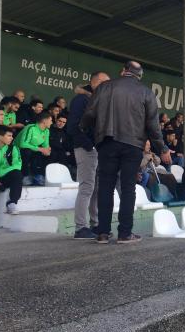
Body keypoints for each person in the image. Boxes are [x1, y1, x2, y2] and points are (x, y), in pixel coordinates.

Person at [81, 61, 170, 244]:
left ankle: (103, 233)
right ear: (139, 75)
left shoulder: (105, 87)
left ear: (123, 71)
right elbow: (153, 126)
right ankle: (125, 233)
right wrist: (162, 149)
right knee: (128, 188)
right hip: (133, 144)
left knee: (105, 187)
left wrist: (84, 129)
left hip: (106, 141)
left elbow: (89, 114)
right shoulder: (146, 92)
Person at [67, 71, 110, 240]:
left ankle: (95, 224)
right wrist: (90, 145)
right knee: (87, 187)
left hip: (95, 149)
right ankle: (80, 227)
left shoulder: (95, 100)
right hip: (85, 148)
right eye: (105, 83)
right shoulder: (80, 100)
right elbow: (73, 127)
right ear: (96, 83)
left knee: (96, 188)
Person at [14, 112, 52, 186]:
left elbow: (45, 145)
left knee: (47, 154)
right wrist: (40, 149)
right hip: (18, 150)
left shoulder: (46, 131)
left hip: (33, 149)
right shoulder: (31, 127)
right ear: (44, 121)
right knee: (27, 152)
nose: (51, 122)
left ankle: (38, 176)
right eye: (50, 120)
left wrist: (47, 150)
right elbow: (22, 144)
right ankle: (25, 176)